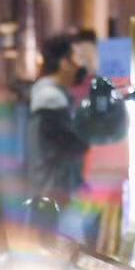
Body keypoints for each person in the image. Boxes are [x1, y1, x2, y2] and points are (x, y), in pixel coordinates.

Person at [26, 31, 89, 203]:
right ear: (64, 63)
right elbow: (71, 144)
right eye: (76, 59)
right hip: (53, 193)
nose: (80, 67)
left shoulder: (49, 95)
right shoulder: (50, 99)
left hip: (51, 189)